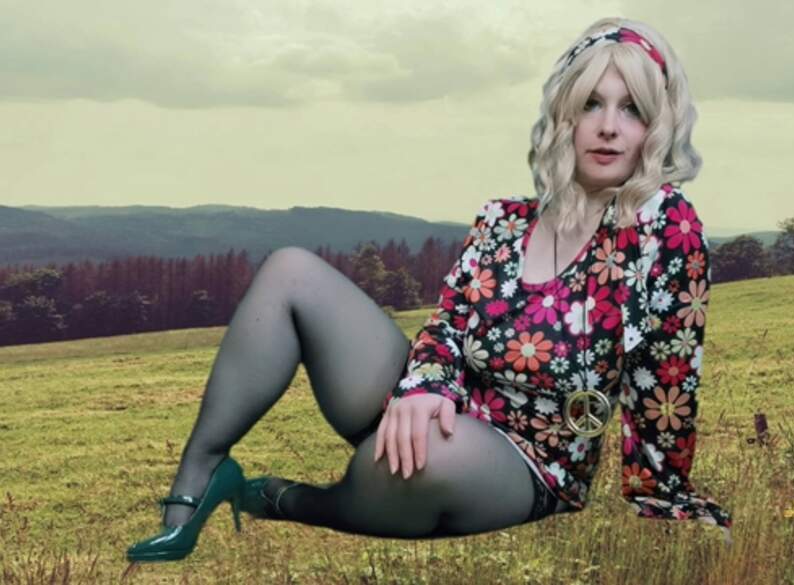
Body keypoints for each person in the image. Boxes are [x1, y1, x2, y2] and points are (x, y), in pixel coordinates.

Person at [127, 16, 733, 563]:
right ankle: (201, 476)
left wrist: (663, 495)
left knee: (415, 462)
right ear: (565, 117)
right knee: (290, 270)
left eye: (631, 110)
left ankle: (296, 501)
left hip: (529, 460)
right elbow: (446, 324)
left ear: (656, 127)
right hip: (444, 405)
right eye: (591, 104)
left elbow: (667, 380)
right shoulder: (503, 220)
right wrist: (424, 387)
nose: (607, 127)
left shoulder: (661, 227)